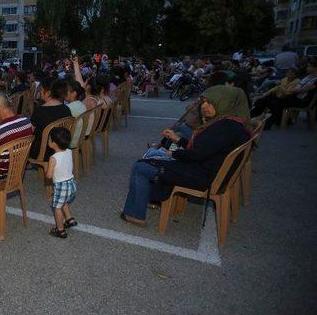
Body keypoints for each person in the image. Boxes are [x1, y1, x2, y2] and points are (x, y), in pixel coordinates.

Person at [120, 85, 251, 227]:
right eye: (204, 102)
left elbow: (196, 154)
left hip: (201, 175)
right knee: (154, 160)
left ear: (224, 103)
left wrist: (174, 152)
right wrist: (178, 140)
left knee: (141, 166)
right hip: (209, 171)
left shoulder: (224, 127)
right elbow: (205, 149)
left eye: (210, 103)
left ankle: (135, 214)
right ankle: (151, 199)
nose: (204, 106)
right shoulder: (234, 124)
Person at [265, 58, 317, 128]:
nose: (307, 68)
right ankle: (278, 121)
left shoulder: (315, 79)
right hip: (296, 97)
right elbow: (298, 87)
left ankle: (272, 122)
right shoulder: (308, 76)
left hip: (303, 100)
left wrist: (288, 90)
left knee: (277, 101)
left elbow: (302, 89)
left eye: (309, 66)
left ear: (315, 68)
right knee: (272, 98)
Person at [46, 127, 78, 239]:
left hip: (61, 186)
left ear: (54, 144)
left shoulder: (53, 158)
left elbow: (49, 175)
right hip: (71, 184)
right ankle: (69, 219)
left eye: (49, 140)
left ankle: (60, 230)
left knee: (57, 208)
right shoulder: (69, 151)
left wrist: (47, 170)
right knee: (64, 202)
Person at [29, 78, 71, 160]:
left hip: (42, 151)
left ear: (48, 93)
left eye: (41, 90)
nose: (40, 93)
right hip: (61, 147)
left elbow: (30, 130)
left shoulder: (40, 110)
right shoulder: (66, 109)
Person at [65, 80, 87, 149]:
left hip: (71, 142)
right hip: (79, 138)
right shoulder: (82, 104)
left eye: (66, 91)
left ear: (74, 93)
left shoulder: (68, 108)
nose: (64, 93)